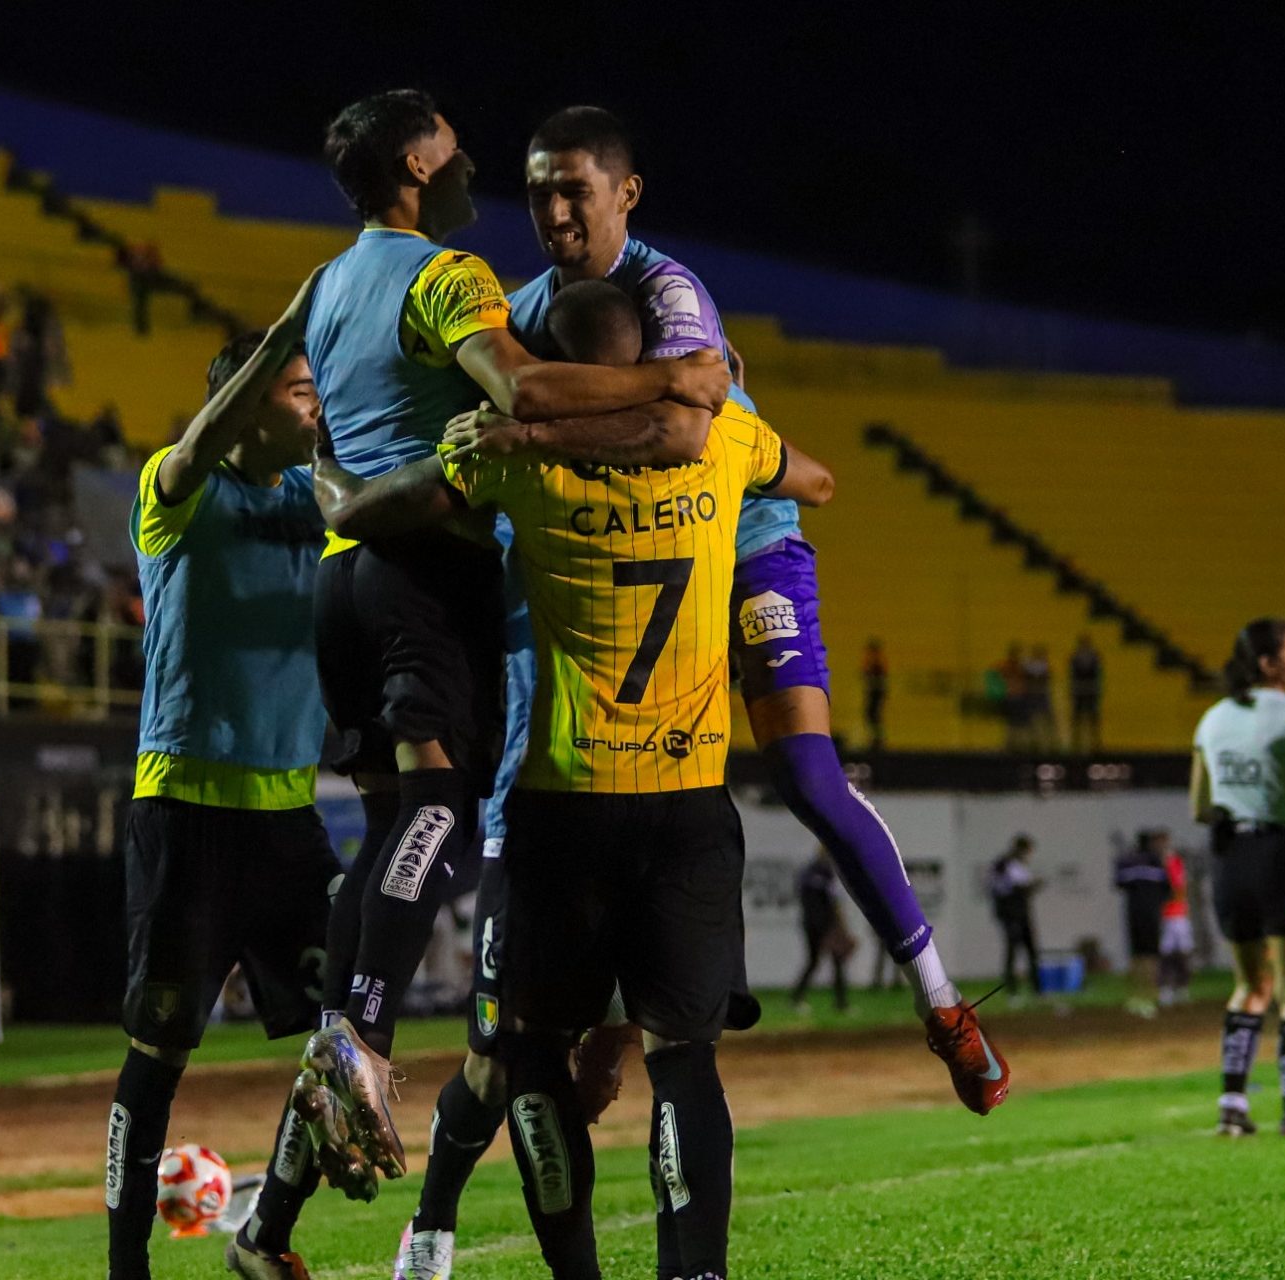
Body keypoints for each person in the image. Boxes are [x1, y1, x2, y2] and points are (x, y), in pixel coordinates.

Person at [257, 88, 729, 1237]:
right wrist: (677, 379)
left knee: (394, 838)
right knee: (440, 817)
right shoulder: (454, 280)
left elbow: (278, 376)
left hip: (349, 568)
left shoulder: (328, 281)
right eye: (466, 160)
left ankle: (288, 1180)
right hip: (434, 590)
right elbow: (527, 394)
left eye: (568, 189)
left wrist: (333, 490)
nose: (492, 183)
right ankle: (360, 1037)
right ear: (419, 171)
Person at [308, 274, 834, 1280]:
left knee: (526, 1058)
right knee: (683, 1059)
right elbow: (816, 483)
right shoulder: (724, 440)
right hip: (686, 806)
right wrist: (719, 422)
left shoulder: (512, 460)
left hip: (558, 810)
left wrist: (327, 474)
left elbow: (375, 512)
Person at [499, 102, 992, 1087]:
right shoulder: (517, 310)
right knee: (628, 786)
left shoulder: (669, 288)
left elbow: (685, 434)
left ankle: (939, 997)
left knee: (804, 773)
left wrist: (537, 426)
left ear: (626, 194)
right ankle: (610, 1022)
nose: (554, 212)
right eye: (539, 192)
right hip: (623, 547)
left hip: (744, 534)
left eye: (574, 191)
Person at [106, 287, 336, 1280]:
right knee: (158, 1053)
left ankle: (265, 1232)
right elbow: (197, 446)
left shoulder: (321, 500)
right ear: (244, 405)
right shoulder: (178, 490)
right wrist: (280, 334)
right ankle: (126, 1267)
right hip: (187, 816)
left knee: (350, 1035)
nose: (314, 402)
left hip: (289, 821)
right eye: (296, 388)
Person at [1190, 617, 1285, 1139]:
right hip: (1283, 854)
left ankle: (1232, 1105)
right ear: (1269, 663)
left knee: (1249, 986)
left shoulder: (1212, 719)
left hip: (1231, 856)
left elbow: (1200, 806)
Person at [1114, 830, 1173, 1017]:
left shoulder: (1127, 862)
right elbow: (1168, 890)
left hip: (1133, 914)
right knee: (1152, 957)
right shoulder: (1156, 862)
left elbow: (1118, 883)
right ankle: (1150, 996)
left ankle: (1135, 996)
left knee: (1136, 956)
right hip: (1152, 915)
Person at [791, 849, 854, 1015]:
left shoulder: (806, 873)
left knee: (814, 961)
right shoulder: (828, 875)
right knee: (835, 962)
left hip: (810, 924)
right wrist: (842, 927)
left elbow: (801, 897)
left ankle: (797, 998)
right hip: (827, 925)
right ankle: (841, 1003)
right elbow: (835, 904)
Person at [989, 836, 1043, 998]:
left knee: (1031, 950)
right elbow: (1013, 888)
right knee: (1012, 949)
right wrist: (1034, 885)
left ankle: (1037, 988)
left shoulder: (1019, 866)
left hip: (1022, 912)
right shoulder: (1005, 865)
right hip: (1010, 913)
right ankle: (1011, 989)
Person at [1154, 829, 1196, 1007]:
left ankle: (1181, 988)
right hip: (1165, 915)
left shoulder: (1175, 862)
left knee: (1182, 953)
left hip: (1178, 915)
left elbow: (1180, 888)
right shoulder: (1156, 864)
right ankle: (1166, 989)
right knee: (1166, 954)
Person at [1069, 634, 1104, 753]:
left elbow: (1098, 675)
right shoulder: (1075, 657)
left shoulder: (1095, 657)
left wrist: (1097, 689)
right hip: (1079, 690)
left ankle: (1095, 743)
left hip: (1090, 690)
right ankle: (1076, 741)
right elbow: (1072, 675)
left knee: (1092, 717)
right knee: (1078, 717)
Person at [863, 637, 889, 753]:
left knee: (874, 715)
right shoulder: (873, 664)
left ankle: (877, 740)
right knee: (870, 715)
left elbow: (878, 681)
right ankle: (875, 739)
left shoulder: (878, 665)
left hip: (876, 694)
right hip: (873, 693)